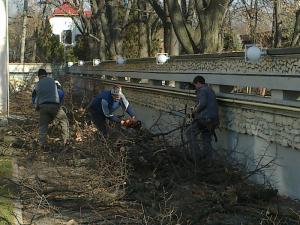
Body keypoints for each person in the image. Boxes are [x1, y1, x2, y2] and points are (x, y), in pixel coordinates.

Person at [32, 69, 69, 148]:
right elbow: (61, 93)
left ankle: (41, 145)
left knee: (43, 126)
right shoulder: (53, 81)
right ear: (46, 75)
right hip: (55, 105)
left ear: (38, 76)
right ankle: (65, 142)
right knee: (63, 121)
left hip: (43, 106)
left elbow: (35, 98)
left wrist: (37, 108)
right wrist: (60, 104)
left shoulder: (37, 85)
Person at [185, 75, 219, 160]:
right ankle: (208, 160)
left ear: (199, 83)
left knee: (189, 132)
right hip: (213, 120)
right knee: (206, 139)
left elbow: (203, 103)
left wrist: (195, 111)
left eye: (195, 85)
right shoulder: (210, 90)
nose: (195, 87)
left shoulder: (202, 90)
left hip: (205, 119)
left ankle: (196, 156)